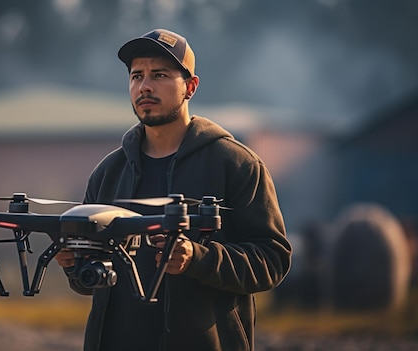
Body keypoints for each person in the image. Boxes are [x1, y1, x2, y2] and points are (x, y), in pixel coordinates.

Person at [55, 28, 292, 351]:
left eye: (160, 74)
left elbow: (273, 260)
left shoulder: (236, 165)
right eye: (136, 76)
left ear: (190, 87)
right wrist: (75, 265)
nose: (145, 86)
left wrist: (199, 258)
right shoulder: (108, 173)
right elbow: (93, 279)